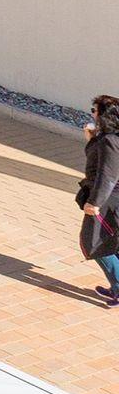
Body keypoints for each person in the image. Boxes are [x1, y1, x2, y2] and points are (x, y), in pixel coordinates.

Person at [78, 95, 119, 306]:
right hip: (112, 199)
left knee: (94, 243)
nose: (92, 113)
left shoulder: (110, 141)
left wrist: (94, 203)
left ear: (104, 116)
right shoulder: (108, 137)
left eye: (95, 110)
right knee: (113, 242)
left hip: (108, 200)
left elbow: (108, 176)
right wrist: (93, 138)